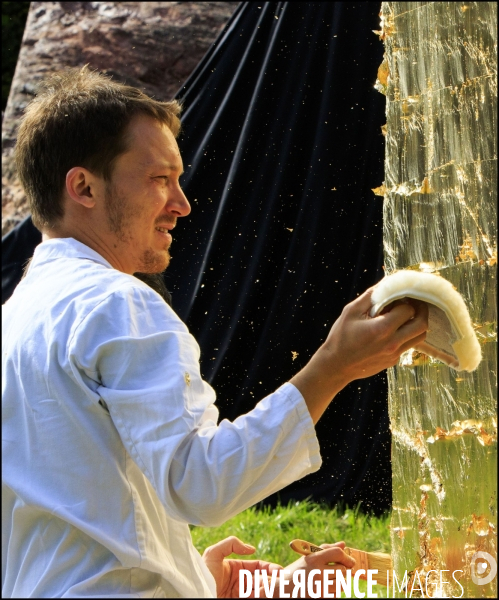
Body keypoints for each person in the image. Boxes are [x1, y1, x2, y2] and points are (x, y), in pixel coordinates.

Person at [1, 66, 427, 598]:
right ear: (83, 186)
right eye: (160, 180)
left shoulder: (15, 317)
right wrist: (333, 367)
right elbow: (198, 485)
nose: (181, 204)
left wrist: (196, 577)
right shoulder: (118, 302)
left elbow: (73, 516)